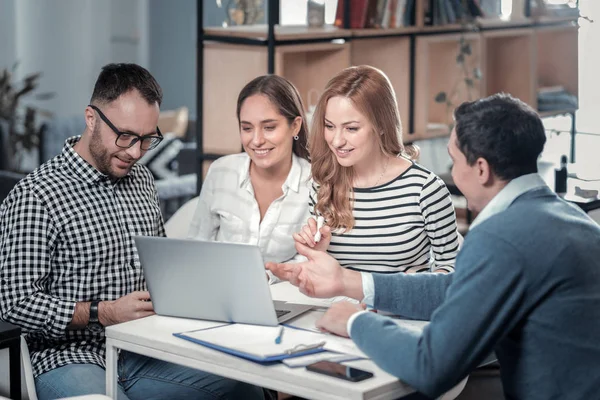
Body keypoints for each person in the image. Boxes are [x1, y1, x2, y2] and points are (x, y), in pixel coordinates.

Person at [267, 93, 600, 399]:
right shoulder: (572, 219)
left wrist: (357, 323)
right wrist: (347, 281)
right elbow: (455, 289)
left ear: (481, 169)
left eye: (454, 161)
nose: (452, 173)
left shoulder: (501, 236)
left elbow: (431, 366)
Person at [0, 63, 264, 400]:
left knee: (246, 386)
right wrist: (103, 312)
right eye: (125, 136)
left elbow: (161, 270)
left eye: (146, 139)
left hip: (143, 350)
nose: (136, 152)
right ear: (91, 118)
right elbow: (16, 303)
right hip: (68, 358)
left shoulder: (142, 181)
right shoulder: (36, 196)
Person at [293, 65, 460, 274]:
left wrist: (396, 295)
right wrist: (317, 254)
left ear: (381, 125)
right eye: (329, 126)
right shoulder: (324, 182)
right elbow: (324, 275)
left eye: (351, 128)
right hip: (334, 305)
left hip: (398, 307)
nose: (336, 141)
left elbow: (453, 271)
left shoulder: (425, 190)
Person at [188, 75, 311, 283]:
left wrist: (268, 278)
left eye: (269, 127)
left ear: (295, 126)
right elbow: (197, 246)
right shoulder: (221, 172)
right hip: (219, 292)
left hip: (283, 298)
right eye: (247, 128)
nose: (256, 140)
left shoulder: (315, 183)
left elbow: (309, 260)